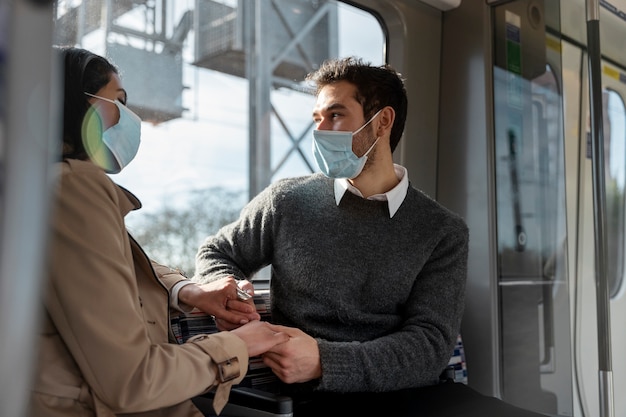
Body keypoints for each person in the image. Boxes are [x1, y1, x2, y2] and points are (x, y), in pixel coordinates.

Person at [193, 57, 550, 417]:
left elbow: (429, 346)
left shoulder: (442, 231)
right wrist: (228, 289)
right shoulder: (286, 201)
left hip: (412, 393)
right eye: (317, 119)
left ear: (382, 121)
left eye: (335, 115)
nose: (321, 132)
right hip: (309, 400)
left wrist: (325, 361)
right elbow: (217, 251)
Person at [29, 46, 289, 417]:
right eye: (118, 102)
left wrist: (191, 290)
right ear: (72, 104)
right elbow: (134, 379)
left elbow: (118, 264)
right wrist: (238, 346)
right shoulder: (75, 186)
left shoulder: (45, 186)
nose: (129, 118)